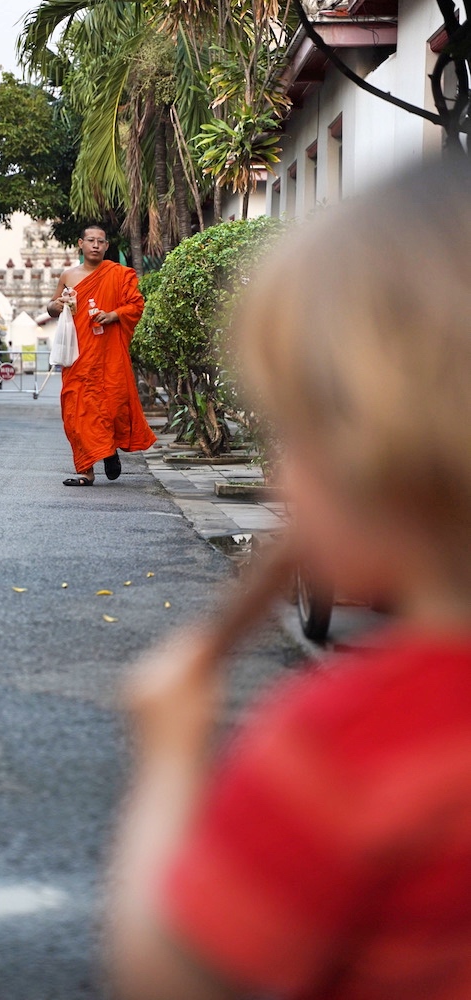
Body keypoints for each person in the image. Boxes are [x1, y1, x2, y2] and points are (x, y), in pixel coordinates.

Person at [106, 159, 471, 1000]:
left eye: (297, 430)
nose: (280, 481)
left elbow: (168, 976)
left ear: (380, 461)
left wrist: (169, 761)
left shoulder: (355, 744)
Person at [47, 226, 156, 486]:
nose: (95, 245)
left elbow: (136, 304)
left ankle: (109, 451)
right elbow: (51, 307)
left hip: (109, 354)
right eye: (91, 241)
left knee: (111, 406)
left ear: (107, 246)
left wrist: (113, 315)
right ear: (80, 243)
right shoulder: (68, 275)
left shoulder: (119, 274)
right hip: (79, 354)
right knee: (77, 409)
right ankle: (86, 470)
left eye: (101, 241)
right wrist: (58, 304)